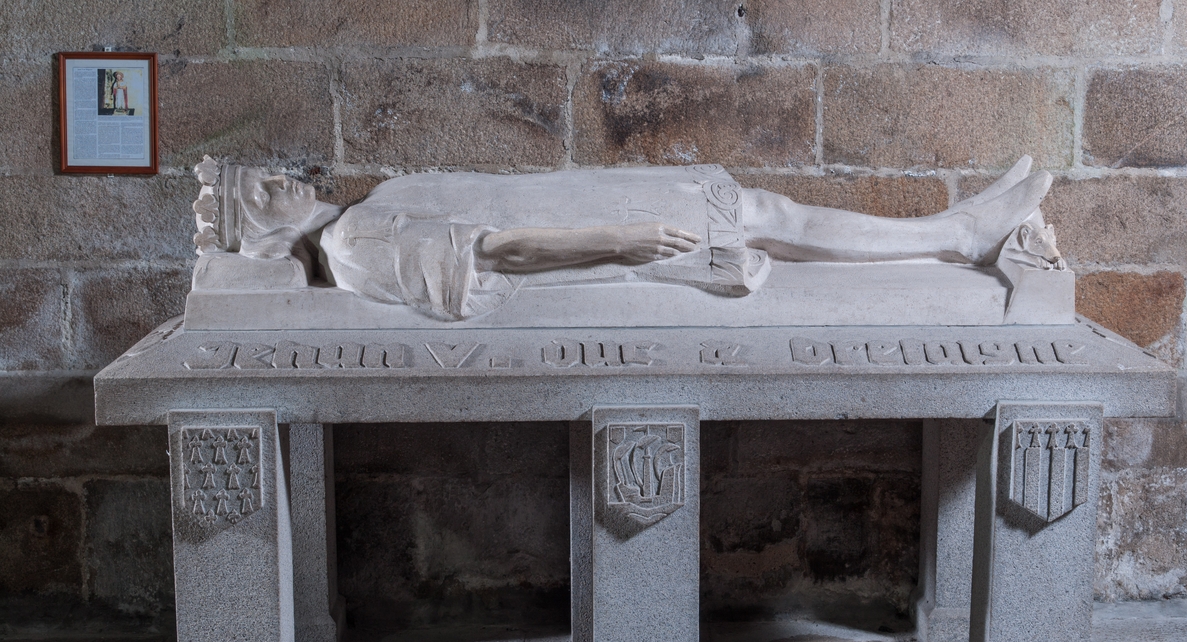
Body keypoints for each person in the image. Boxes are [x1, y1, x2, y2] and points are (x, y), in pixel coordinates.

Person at [192, 155, 1052, 321]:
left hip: (593, 205)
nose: (283, 180)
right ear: (261, 237)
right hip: (599, 230)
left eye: (269, 174)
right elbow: (493, 253)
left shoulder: (362, 210)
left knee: (769, 213)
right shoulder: (353, 247)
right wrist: (621, 240)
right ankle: (959, 234)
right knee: (771, 218)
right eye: (263, 192)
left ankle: (954, 234)